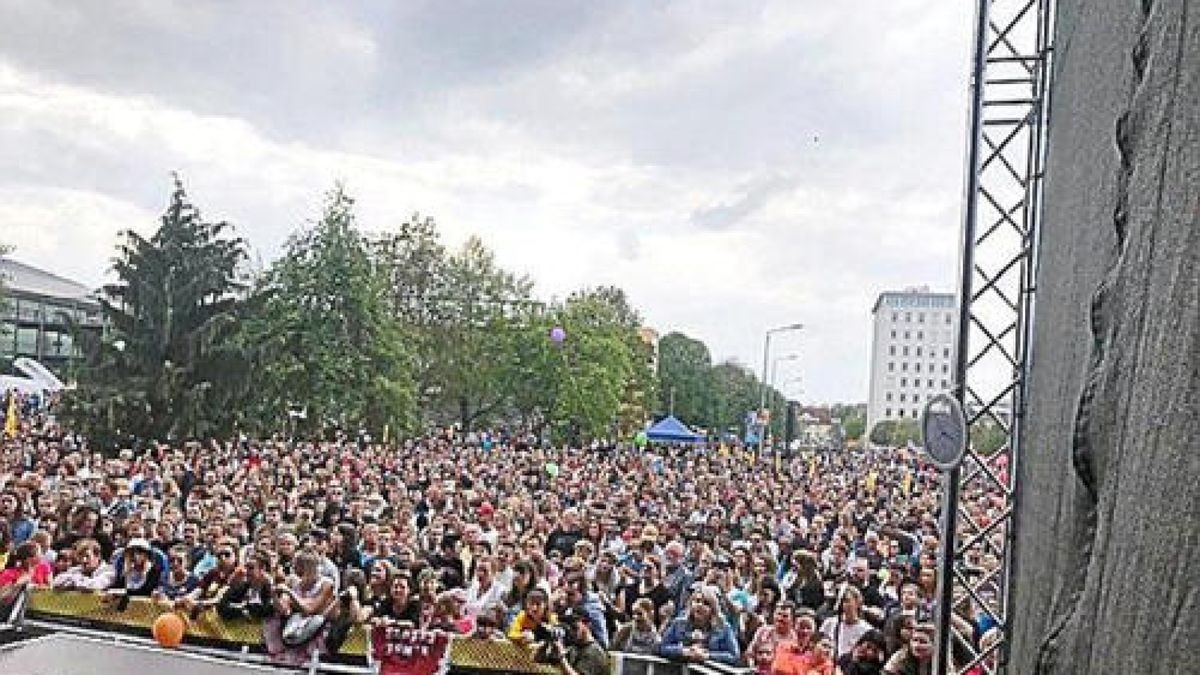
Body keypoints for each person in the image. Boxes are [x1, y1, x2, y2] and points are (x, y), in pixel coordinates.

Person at [658, 586, 740, 666]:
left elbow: (734, 655)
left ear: (713, 609)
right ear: (691, 603)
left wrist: (707, 655)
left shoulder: (723, 627)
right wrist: (683, 651)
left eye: (706, 603)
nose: (700, 605)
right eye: (697, 601)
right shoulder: (678, 623)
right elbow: (662, 647)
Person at [820, 586, 873, 660]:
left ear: (858, 603)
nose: (845, 605)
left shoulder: (867, 630)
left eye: (848, 601)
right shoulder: (830, 623)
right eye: (843, 601)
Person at [556, 604, 609, 675]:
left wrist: (561, 657)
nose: (570, 631)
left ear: (587, 625)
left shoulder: (595, 651)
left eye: (574, 627)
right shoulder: (575, 646)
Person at [51, 538, 116, 590]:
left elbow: (95, 585)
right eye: (80, 557)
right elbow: (56, 581)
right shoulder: (76, 569)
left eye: (87, 556)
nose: (84, 560)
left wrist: (74, 580)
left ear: (97, 556)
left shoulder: (108, 570)